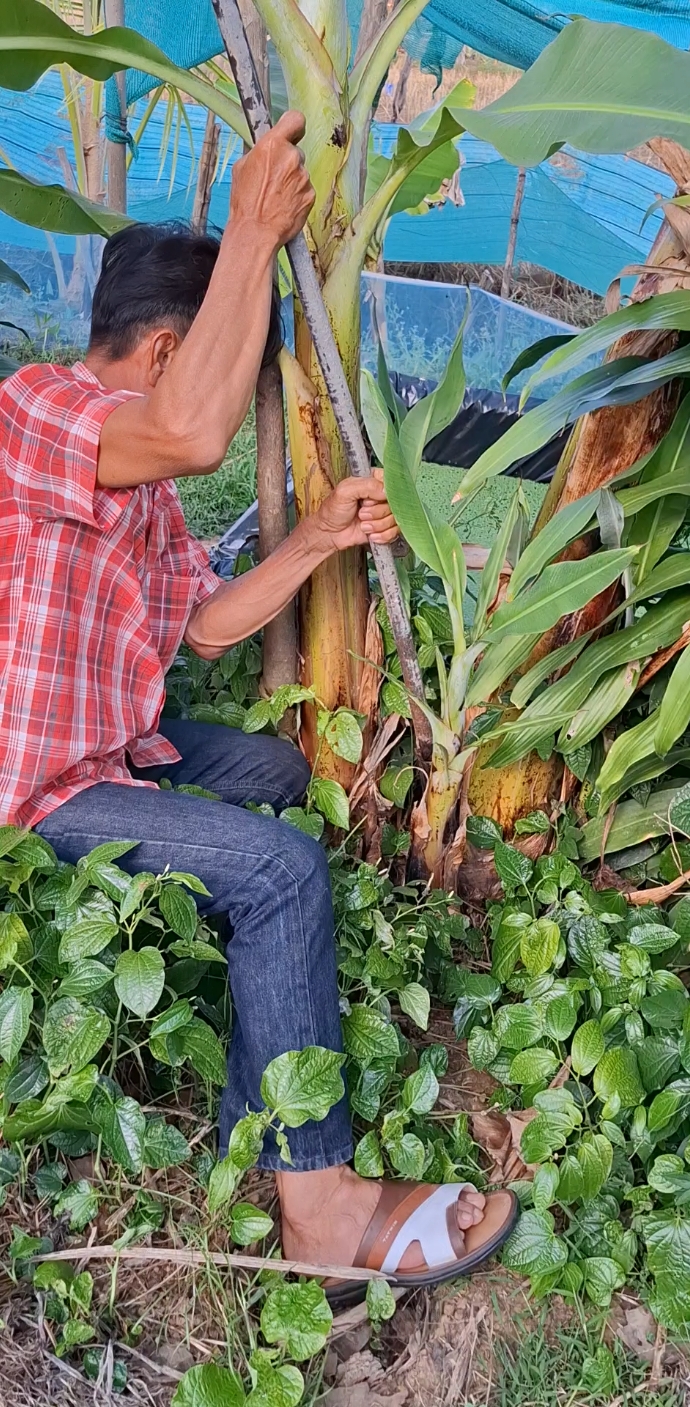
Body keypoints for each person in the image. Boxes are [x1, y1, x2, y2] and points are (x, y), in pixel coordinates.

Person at [0, 111, 516, 1300]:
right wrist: (249, 232)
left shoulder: (138, 494)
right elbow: (189, 428)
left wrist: (321, 538)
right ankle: (319, 1210)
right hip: (35, 793)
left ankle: (255, 1097)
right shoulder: (33, 410)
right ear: (172, 344)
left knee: (277, 781)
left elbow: (206, 622)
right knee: (280, 872)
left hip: (111, 756)